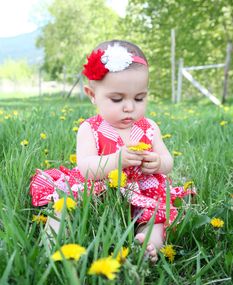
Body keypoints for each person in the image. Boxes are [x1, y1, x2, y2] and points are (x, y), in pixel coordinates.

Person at [30, 40, 194, 262]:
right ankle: (51, 247)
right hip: (97, 189)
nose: (129, 107)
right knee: (64, 205)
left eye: (139, 98)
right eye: (117, 99)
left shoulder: (149, 127)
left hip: (141, 189)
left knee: (156, 216)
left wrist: (158, 162)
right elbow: (86, 168)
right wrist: (116, 160)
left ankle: (147, 245)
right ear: (92, 94)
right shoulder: (90, 128)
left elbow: (167, 161)